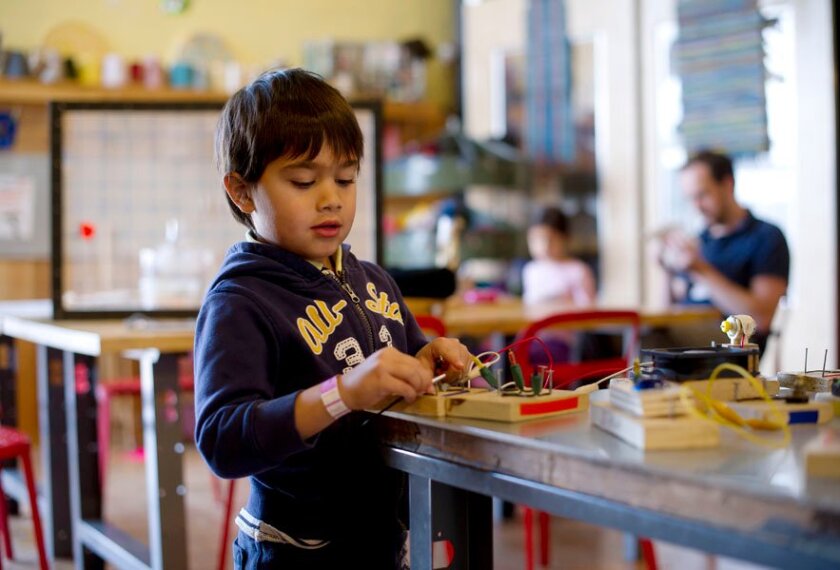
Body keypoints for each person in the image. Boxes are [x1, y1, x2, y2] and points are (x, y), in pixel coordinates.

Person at [194, 68, 470, 568]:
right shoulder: (240, 301)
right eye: (303, 180)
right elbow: (221, 438)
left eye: (345, 178)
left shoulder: (373, 281)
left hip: (379, 542)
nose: (332, 198)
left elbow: (404, 366)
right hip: (295, 550)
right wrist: (340, 394)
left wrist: (428, 359)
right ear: (242, 192)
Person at [659, 150, 789, 352]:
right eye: (690, 198)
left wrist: (700, 269)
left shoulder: (765, 237)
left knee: (646, 338)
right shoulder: (700, 240)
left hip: (731, 346)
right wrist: (665, 269)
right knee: (606, 337)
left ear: (728, 184)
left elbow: (761, 318)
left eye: (702, 195)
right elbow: (669, 310)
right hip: (685, 336)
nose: (696, 206)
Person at [522, 206, 596, 306]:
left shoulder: (578, 270)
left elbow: (588, 307)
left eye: (551, 239)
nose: (544, 246)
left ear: (566, 239)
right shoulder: (531, 270)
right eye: (537, 239)